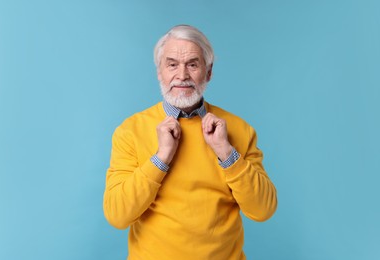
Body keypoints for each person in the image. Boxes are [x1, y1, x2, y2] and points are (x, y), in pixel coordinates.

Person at [103, 25, 277, 259]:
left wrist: (226, 153)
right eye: (172, 64)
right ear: (159, 72)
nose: (182, 75)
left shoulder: (239, 130)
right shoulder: (129, 131)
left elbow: (263, 209)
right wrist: (160, 158)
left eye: (192, 64)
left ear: (208, 72)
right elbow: (117, 215)